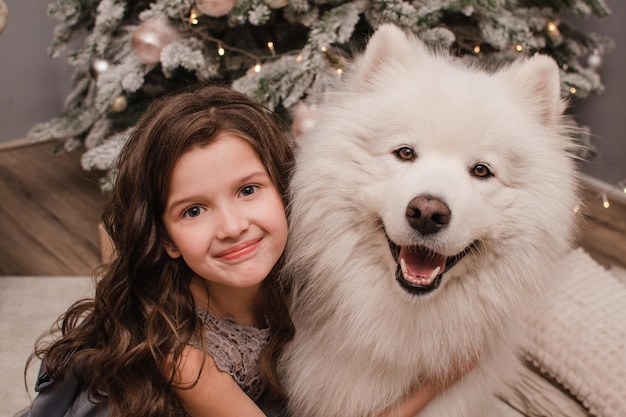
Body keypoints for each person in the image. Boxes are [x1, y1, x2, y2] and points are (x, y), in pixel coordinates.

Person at [22, 84, 472, 417]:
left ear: (284, 188)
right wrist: (434, 383)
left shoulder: (304, 264)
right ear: (165, 240)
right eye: (194, 210)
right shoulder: (184, 355)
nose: (234, 227)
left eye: (248, 190)